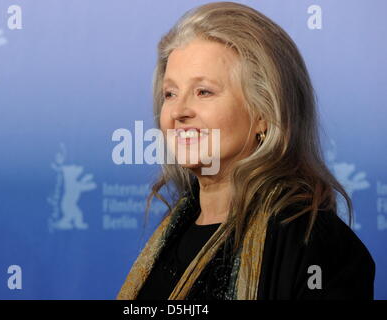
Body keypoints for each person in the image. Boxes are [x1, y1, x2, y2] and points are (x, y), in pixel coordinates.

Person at [116, 2, 375, 300]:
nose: (179, 111)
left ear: (264, 112)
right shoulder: (171, 235)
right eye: (170, 93)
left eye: (204, 91)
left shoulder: (315, 244)